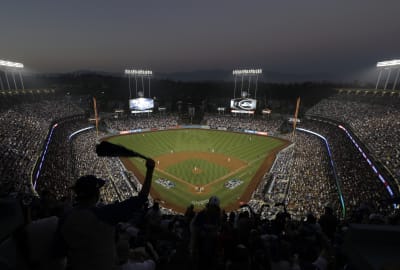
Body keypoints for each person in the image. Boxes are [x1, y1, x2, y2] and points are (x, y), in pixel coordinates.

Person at [57, 158, 155, 270]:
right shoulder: (105, 214)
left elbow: (59, 253)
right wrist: (150, 170)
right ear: (96, 195)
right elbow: (141, 198)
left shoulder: (65, 217)